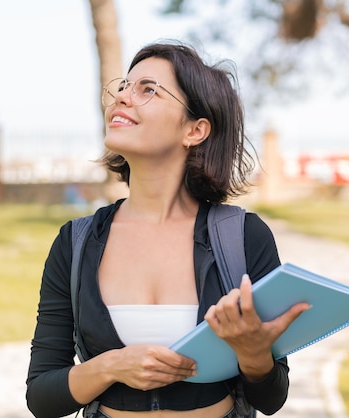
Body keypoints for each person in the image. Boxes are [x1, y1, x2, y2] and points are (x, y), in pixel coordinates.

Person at [26, 41, 310, 418]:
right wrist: (110, 366)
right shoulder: (75, 242)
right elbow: (41, 397)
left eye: (148, 89)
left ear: (195, 130)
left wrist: (254, 354)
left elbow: (272, 398)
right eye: (124, 87)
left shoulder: (243, 238)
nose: (124, 97)